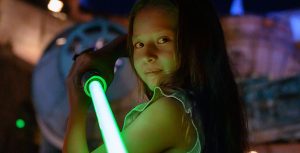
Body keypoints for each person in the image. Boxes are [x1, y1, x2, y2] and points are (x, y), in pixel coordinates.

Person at [63, 0, 249, 152]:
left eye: (163, 40)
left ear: (196, 44)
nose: (147, 56)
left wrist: (77, 107)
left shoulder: (169, 112)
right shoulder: (202, 108)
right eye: (139, 45)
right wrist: (110, 53)